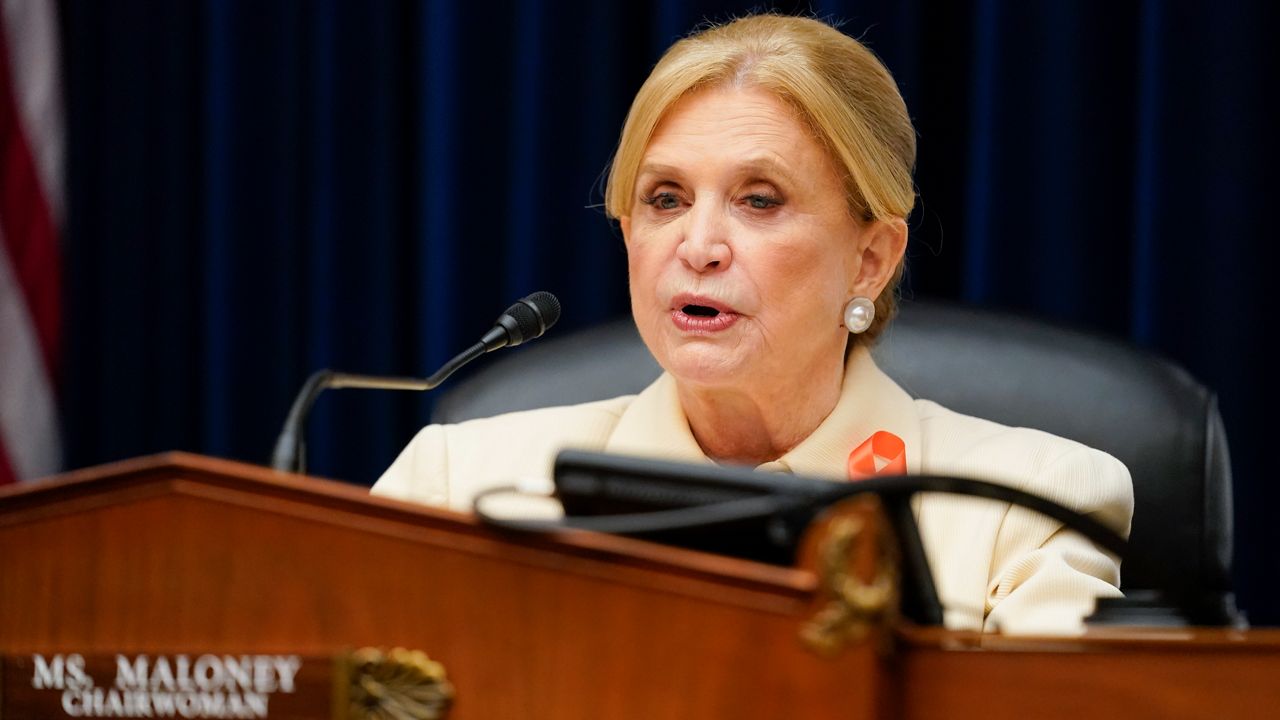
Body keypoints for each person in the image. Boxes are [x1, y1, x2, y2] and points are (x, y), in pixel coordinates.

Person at [373, 14, 1132, 634]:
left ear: (870, 259)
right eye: (666, 199)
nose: (697, 247)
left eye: (759, 200)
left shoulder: (1026, 503)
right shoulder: (458, 486)